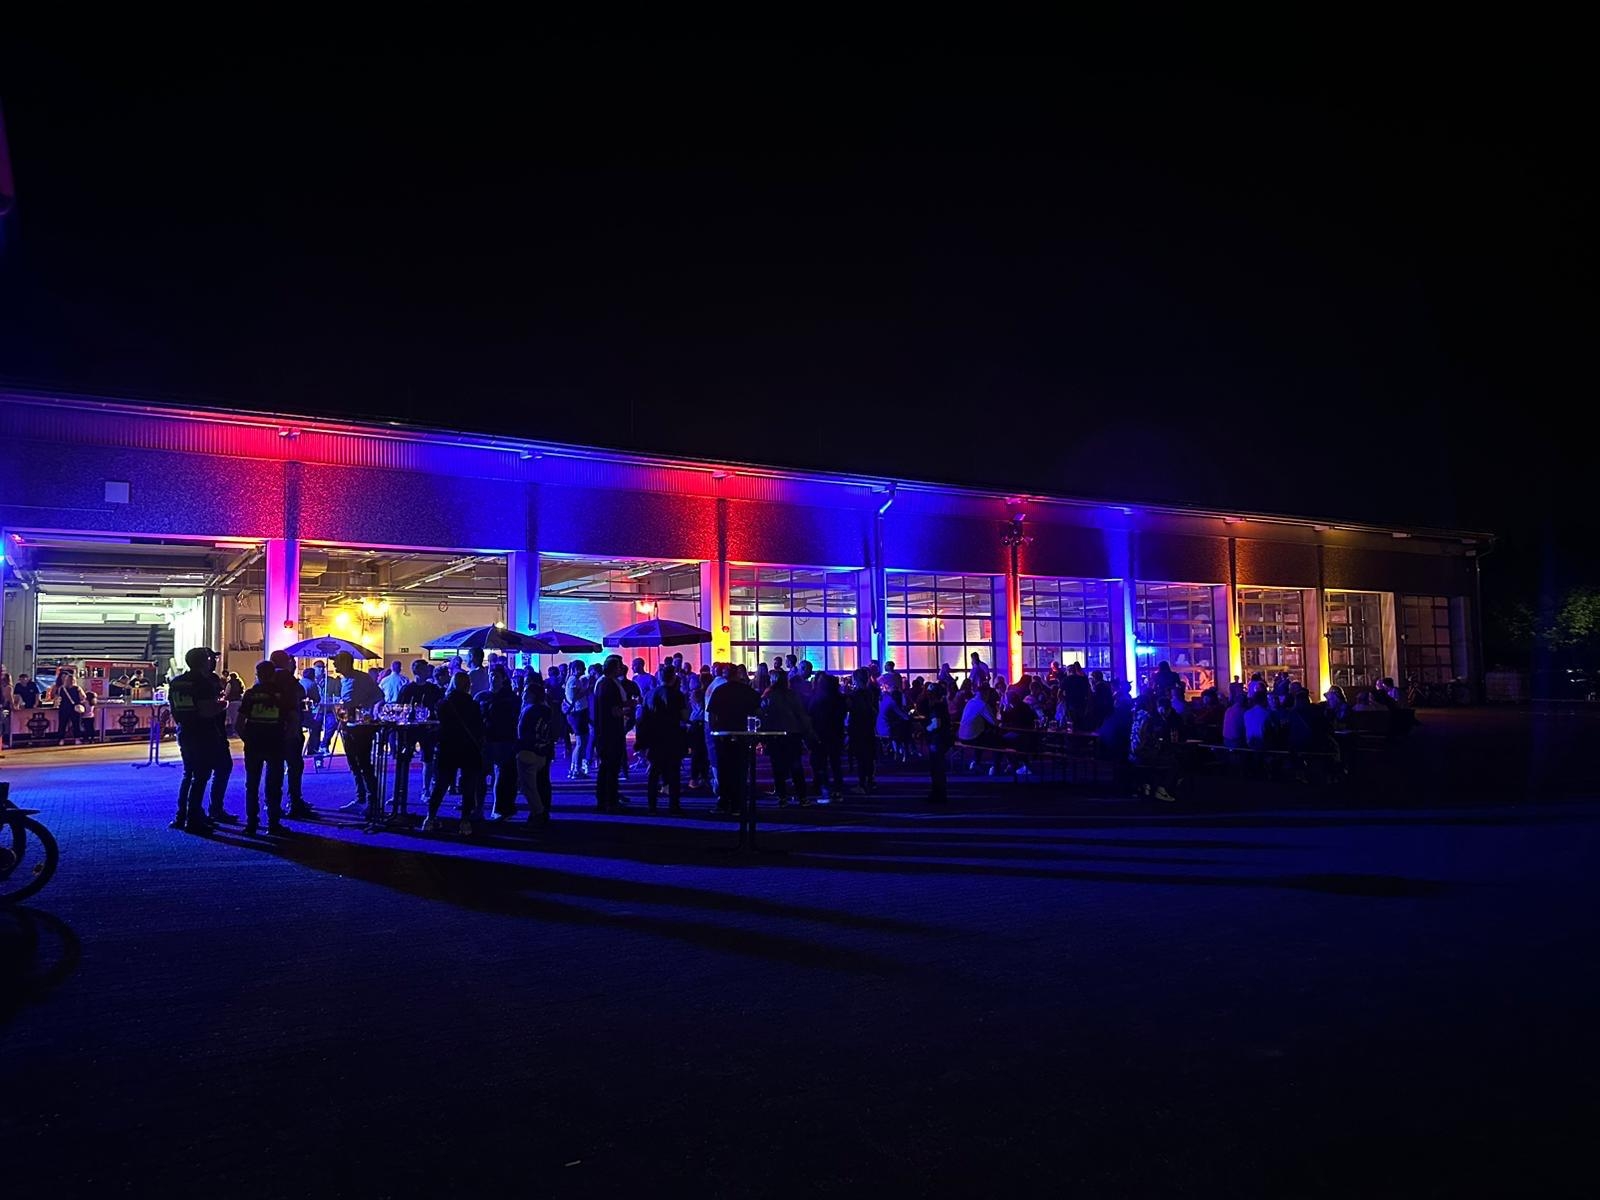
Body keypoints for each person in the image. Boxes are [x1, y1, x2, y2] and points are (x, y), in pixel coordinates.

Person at [167, 647, 226, 832]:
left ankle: (182, 815)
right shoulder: (203, 683)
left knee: (189, 774)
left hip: (184, 729)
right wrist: (223, 705)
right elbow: (207, 710)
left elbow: (173, 707)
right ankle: (194, 819)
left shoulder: (177, 682)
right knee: (201, 776)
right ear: (204, 661)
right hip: (203, 732)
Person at [424, 671, 486, 835]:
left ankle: (430, 818)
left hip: (448, 746)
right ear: (468, 685)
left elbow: (441, 725)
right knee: (468, 786)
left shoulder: (444, 704)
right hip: (468, 748)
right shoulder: (473, 704)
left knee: (441, 785)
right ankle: (465, 821)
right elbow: (479, 727)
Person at [237, 661, 292, 835]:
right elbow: (291, 719)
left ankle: (251, 823)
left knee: (252, 784)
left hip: (254, 742)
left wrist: (247, 738)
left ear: (258, 674)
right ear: (273, 674)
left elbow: (239, 723)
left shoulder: (250, 694)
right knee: (274, 783)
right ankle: (273, 823)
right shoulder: (281, 694)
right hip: (275, 742)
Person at [333, 651, 386, 815]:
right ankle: (361, 797)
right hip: (349, 725)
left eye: (337, 662)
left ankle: (373, 801)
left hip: (361, 727)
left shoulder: (361, 678)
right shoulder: (345, 680)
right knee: (354, 764)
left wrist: (367, 707)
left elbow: (379, 695)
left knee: (363, 764)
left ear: (345, 662)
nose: (334, 665)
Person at [706, 663, 761, 816]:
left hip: (723, 735)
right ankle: (738, 803)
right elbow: (758, 710)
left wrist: (713, 731)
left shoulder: (719, 690)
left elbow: (711, 713)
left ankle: (724, 801)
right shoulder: (747, 691)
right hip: (742, 734)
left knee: (724, 770)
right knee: (740, 770)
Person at [642, 663, 690, 814]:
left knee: (654, 772)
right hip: (672, 735)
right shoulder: (677, 695)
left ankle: (652, 805)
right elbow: (684, 716)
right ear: (673, 677)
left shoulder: (649, 694)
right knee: (673, 772)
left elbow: (643, 717)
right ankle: (674, 805)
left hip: (654, 736)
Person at [760, 669, 811, 805]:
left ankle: (782, 796)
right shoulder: (792, 695)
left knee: (778, 766)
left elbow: (762, 714)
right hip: (793, 733)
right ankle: (802, 796)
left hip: (775, 734)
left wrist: (762, 735)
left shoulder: (768, 696)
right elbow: (800, 713)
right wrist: (806, 731)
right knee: (796, 765)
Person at [478, 665, 521, 821]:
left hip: (504, 739)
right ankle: (479, 808)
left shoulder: (511, 698)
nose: (493, 678)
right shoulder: (482, 696)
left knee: (501, 776)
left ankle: (498, 807)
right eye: (491, 675)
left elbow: (516, 718)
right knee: (481, 775)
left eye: (496, 676)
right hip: (486, 739)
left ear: (503, 679)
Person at [591, 655, 631, 812]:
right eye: (620, 665)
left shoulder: (606, 682)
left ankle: (607, 798)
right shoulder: (607, 684)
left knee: (608, 766)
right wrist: (625, 709)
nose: (622, 668)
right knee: (610, 766)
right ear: (614, 668)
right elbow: (612, 710)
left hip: (609, 730)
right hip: (610, 731)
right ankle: (608, 800)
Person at [516, 676, 556, 826]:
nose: (523, 694)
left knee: (529, 788)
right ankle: (542, 811)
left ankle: (538, 814)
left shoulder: (529, 711)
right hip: (543, 752)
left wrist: (520, 748)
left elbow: (524, 732)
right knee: (541, 784)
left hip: (528, 751)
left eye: (526, 692)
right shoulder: (547, 710)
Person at [807, 672, 848, 802]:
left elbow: (811, 714)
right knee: (835, 762)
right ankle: (837, 789)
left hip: (821, 733)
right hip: (836, 733)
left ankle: (824, 788)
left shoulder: (818, 699)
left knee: (821, 763)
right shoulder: (840, 699)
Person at [847, 667, 880, 794]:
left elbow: (851, 709)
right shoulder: (872, 692)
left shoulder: (856, 695)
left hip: (858, 727)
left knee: (861, 756)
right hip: (869, 726)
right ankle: (870, 780)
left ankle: (862, 784)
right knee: (869, 755)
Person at [920, 682, 952, 803]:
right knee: (939, 767)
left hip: (936, 739)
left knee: (936, 767)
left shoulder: (936, 707)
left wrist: (926, 729)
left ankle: (938, 793)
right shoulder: (942, 705)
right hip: (942, 739)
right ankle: (940, 792)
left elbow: (936, 724)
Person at [564, 659, 591, 780]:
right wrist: (587, 689)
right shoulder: (573, 680)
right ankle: (575, 769)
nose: (584, 670)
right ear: (575, 669)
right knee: (580, 743)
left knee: (582, 743)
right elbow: (575, 696)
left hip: (579, 713)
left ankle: (575, 768)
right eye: (582, 668)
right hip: (577, 713)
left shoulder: (573, 680)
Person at [55, 667, 89, 744]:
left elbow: (57, 698)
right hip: (74, 708)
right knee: (76, 724)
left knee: (62, 724)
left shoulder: (61, 688)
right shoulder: (77, 688)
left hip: (63, 708)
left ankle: (61, 740)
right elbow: (83, 697)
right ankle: (77, 739)